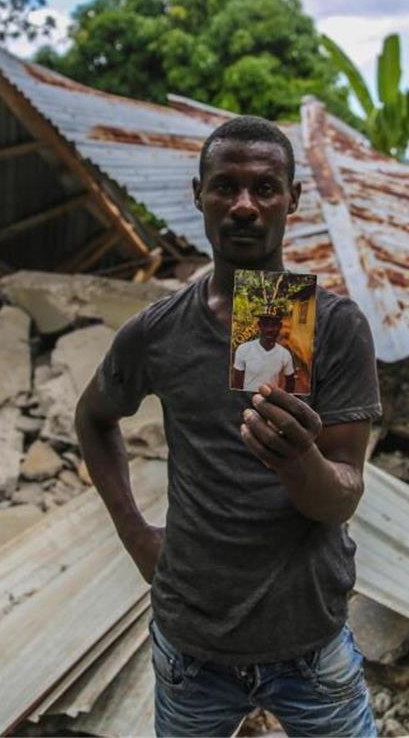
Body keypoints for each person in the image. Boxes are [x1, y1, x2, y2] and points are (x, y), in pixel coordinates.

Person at [75, 115, 381, 737]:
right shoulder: (156, 332)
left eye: (265, 188)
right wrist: (136, 534)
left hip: (309, 642)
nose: (244, 205)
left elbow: (342, 497)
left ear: (292, 200)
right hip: (193, 647)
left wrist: (302, 463)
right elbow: (94, 419)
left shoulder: (335, 327)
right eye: (226, 186)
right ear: (199, 195)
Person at [232, 311, 296, 393]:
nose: (269, 329)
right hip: (248, 399)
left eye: (274, 325)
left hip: (271, 400)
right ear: (259, 325)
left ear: (280, 327)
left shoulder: (285, 354)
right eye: (265, 324)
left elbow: (290, 382)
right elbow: (237, 382)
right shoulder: (244, 349)